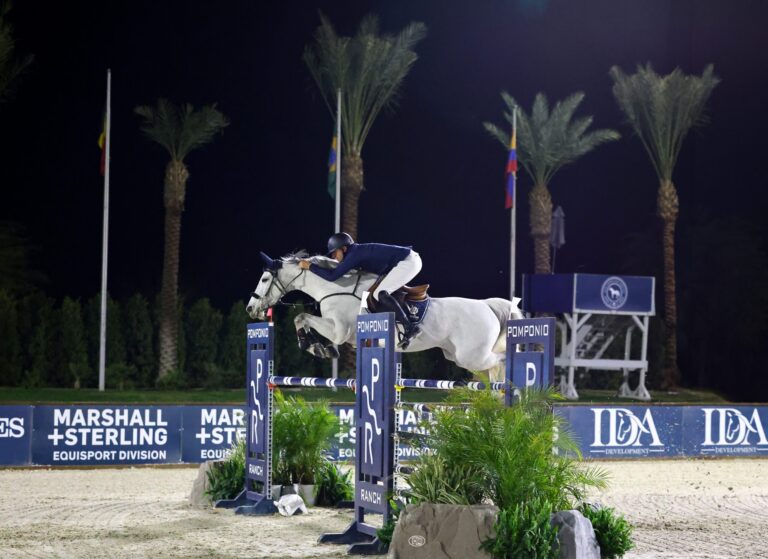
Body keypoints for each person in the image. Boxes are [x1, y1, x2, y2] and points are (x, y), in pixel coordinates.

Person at [298, 232, 423, 348]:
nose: (333, 257)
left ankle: (410, 328)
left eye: (334, 253)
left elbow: (332, 276)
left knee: (381, 293)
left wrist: (310, 266)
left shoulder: (354, 254)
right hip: (399, 263)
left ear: (344, 248)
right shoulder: (354, 253)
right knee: (368, 294)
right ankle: (365, 333)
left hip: (408, 262)